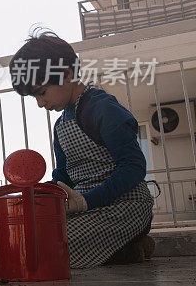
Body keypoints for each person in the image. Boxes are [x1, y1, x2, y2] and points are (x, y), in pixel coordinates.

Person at [9, 29, 155, 268]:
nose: (39, 103)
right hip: (85, 209)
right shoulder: (61, 125)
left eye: (42, 93)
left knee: (46, 243)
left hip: (125, 206)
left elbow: (134, 167)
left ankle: (128, 243)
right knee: (27, 237)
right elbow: (63, 177)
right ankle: (125, 251)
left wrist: (87, 201)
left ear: (66, 74)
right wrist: (37, 196)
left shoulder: (103, 109)